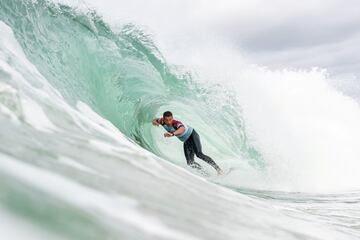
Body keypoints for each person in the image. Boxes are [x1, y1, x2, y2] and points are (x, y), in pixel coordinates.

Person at [152, 111, 223, 175]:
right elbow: (155, 119)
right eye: (166, 120)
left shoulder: (175, 123)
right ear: (164, 119)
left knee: (199, 154)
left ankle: (218, 170)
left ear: (172, 118)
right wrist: (154, 122)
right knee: (190, 162)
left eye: (170, 119)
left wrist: (172, 134)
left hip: (192, 135)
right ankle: (206, 174)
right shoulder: (162, 121)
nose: (169, 122)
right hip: (186, 141)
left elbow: (181, 129)